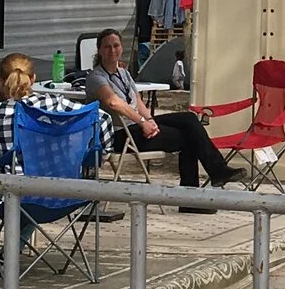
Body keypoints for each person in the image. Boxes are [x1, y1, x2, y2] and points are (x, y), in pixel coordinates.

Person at [0, 53, 91, 276]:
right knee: (34, 189)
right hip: (57, 193)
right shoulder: (55, 104)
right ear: (33, 79)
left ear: (1, 80)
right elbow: (100, 117)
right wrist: (88, 156)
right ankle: (11, 252)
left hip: (4, 197)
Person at [77, 27, 232, 194]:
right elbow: (114, 102)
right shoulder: (96, 77)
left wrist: (150, 121)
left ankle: (216, 173)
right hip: (120, 134)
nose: (112, 50)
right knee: (190, 138)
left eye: (116, 46)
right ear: (100, 50)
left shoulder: (124, 73)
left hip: (136, 126)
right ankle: (197, 191)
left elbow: (137, 100)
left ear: (121, 48)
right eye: (107, 47)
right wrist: (142, 122)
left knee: (189, 119)